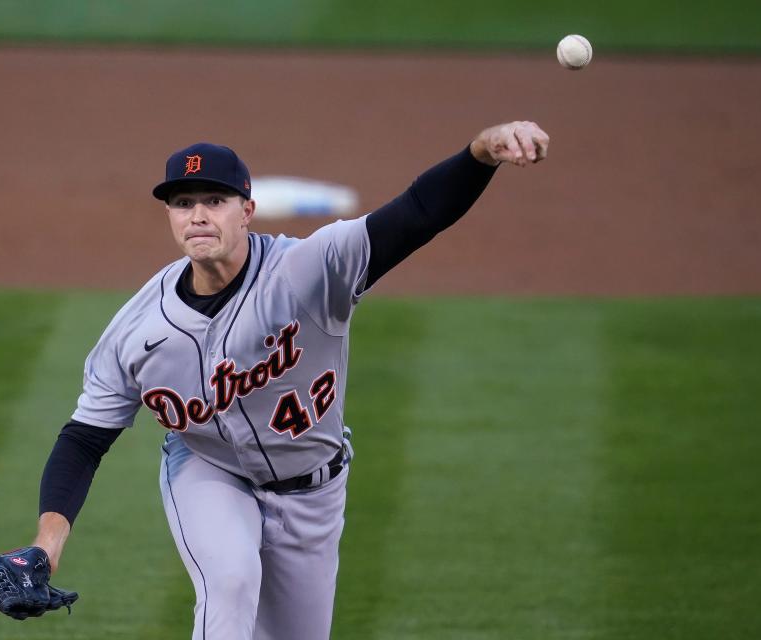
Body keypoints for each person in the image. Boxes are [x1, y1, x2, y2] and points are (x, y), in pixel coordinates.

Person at [31, 121, 549, 639]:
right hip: (209, 473)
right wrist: (46, 546)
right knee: (229, 583)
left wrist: (481, 153)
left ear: (247, 210)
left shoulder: (309, 270)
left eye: (215, 199)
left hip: (314, 493)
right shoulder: (137, 328)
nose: (198, 216)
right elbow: (84, 438)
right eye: (183, 203)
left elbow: (415, 215)